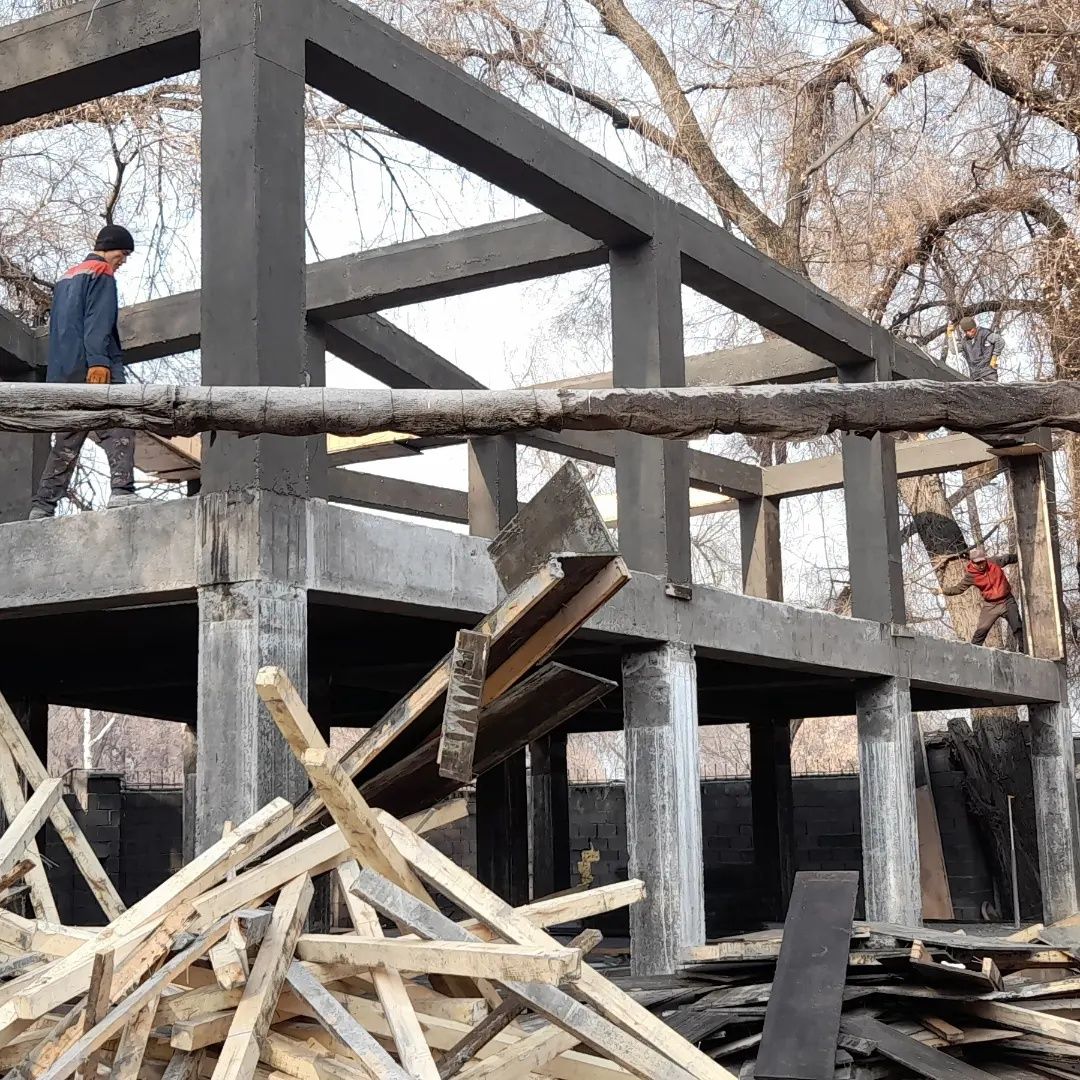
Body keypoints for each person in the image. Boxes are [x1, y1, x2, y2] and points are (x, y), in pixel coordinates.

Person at [29, 225, 139, 520]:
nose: (123, 260)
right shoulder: (101, 273)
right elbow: (97, 321)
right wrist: (99, 361)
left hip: (64, 371)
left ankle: (42, 506)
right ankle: (122, 492)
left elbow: (60, 329)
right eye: (123, 252)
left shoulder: (67, 277)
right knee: (119, 421)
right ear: (108, 246)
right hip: (94, 367)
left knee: (67, 440)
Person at [939, 546, 1024, 650]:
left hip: (1007, 600)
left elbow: (1008, 558)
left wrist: (1021, 556)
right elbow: (959, 588)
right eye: (977, 563)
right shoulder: (971, 575)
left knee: (1017, 626)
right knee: (980, 632)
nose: (981, 565)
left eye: (982, 562)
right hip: (991, 606)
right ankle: (973, 653)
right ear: (972, 563)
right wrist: (943, 591)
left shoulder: (994, 562)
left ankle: (1023, 651)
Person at [956, 316, 1003, 382]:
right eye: (966, 331)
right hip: (974, 375)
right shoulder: (964, 341)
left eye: (970, 330)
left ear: (974, 327)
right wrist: (950, 336)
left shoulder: (984, 333)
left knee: (990, 391)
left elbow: (1000, 341)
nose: (969, 333)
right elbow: (954, 350)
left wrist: (994, 357)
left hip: (988, 373)